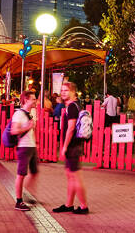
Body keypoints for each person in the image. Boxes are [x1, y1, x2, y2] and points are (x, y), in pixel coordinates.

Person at [53, 81, 89, 214]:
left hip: (73, 146)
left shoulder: (72, 107)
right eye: (62, 90)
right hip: (74, 146)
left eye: (66, 90)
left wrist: (64, 146)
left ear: (73, 92)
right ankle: (69, 204)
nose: (63, 92)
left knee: (75, 176)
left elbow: (71, 128)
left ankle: (84, 206)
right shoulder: (73, 106)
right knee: (70, 175)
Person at [11, 90, 39, 211]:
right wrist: (26, 127)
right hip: (23, 147)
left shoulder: (31, 113)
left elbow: (33, 130)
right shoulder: (18, 114)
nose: (35, 101)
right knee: (21, 175)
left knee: (34, 172)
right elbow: (14, 131)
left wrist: (35, 142)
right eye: (33, 99)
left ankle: (26, 194)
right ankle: (18, 201)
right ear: (26, 100)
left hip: (31, 146)